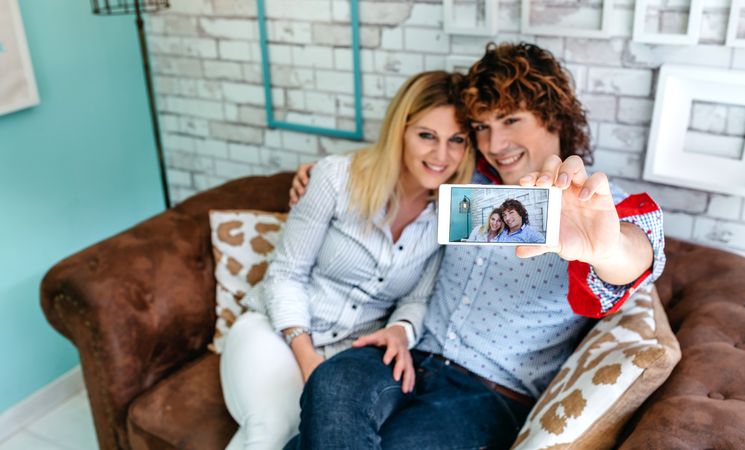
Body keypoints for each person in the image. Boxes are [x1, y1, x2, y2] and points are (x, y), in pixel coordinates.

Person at [284, 42, 665, 450]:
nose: (495, 143)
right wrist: (320, 176)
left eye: (510, 120)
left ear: (553, 116)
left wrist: (606, 250)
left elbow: (637, 254)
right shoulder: (471, 182)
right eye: (482, 127)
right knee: (332, 382)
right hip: (412, 352)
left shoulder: (597, 204)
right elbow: (401, 168)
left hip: (491, 392)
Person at [219, 71, 475, 450]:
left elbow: (417, 300)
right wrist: (308, 362)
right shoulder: (335, 177)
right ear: (399, 131)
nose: (441, 156)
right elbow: (286, 273)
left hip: (352, 354)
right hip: (278, 332)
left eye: (457, 140)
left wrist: (401, 331)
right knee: (272, 430)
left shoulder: (455, 211)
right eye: (426, 136)